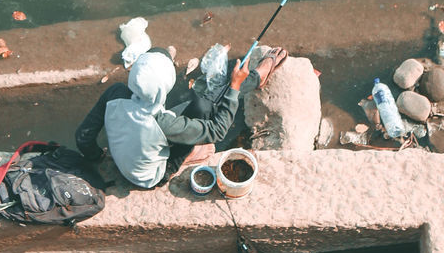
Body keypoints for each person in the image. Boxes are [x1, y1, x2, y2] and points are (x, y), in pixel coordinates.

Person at [75, 45, 286, 189]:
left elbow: (82, 137)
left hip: (128, 159)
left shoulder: (116, 93)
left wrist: (97, 156)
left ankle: (254, 79)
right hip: (151, 177)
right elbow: (218, 131)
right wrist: (234, 86)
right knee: (205, 106)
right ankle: (254, 78)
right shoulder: (163, 123)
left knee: (203, 101)